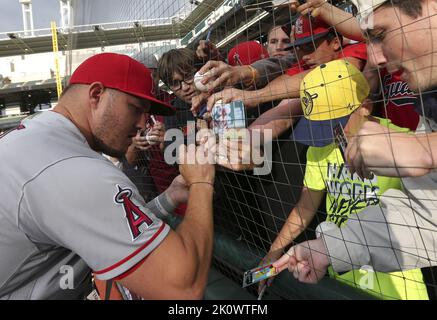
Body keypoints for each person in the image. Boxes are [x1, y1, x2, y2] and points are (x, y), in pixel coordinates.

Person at [0, 52, 216, 299]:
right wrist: (201, 182)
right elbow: (183, 287)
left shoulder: (41, 136)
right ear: (96, 95)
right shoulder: (71, 167)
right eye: (135, 109)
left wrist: (169, 197)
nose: (143, 124)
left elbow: (106, 227)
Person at [273, 0, 437, 284]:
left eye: (381, 34)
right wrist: (334, 247)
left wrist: (426, 148)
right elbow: (429, 217)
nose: (376, 57)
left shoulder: (409, 135)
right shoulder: (429, 100)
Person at [261, 59, 428, 299]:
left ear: (365, 107)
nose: (327, 135)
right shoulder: (319, 150)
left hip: (396, 281)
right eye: (318, 125)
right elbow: (305, 206)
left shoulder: (403, 145)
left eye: (334, 124)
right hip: (339, 272)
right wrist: (273, 252)